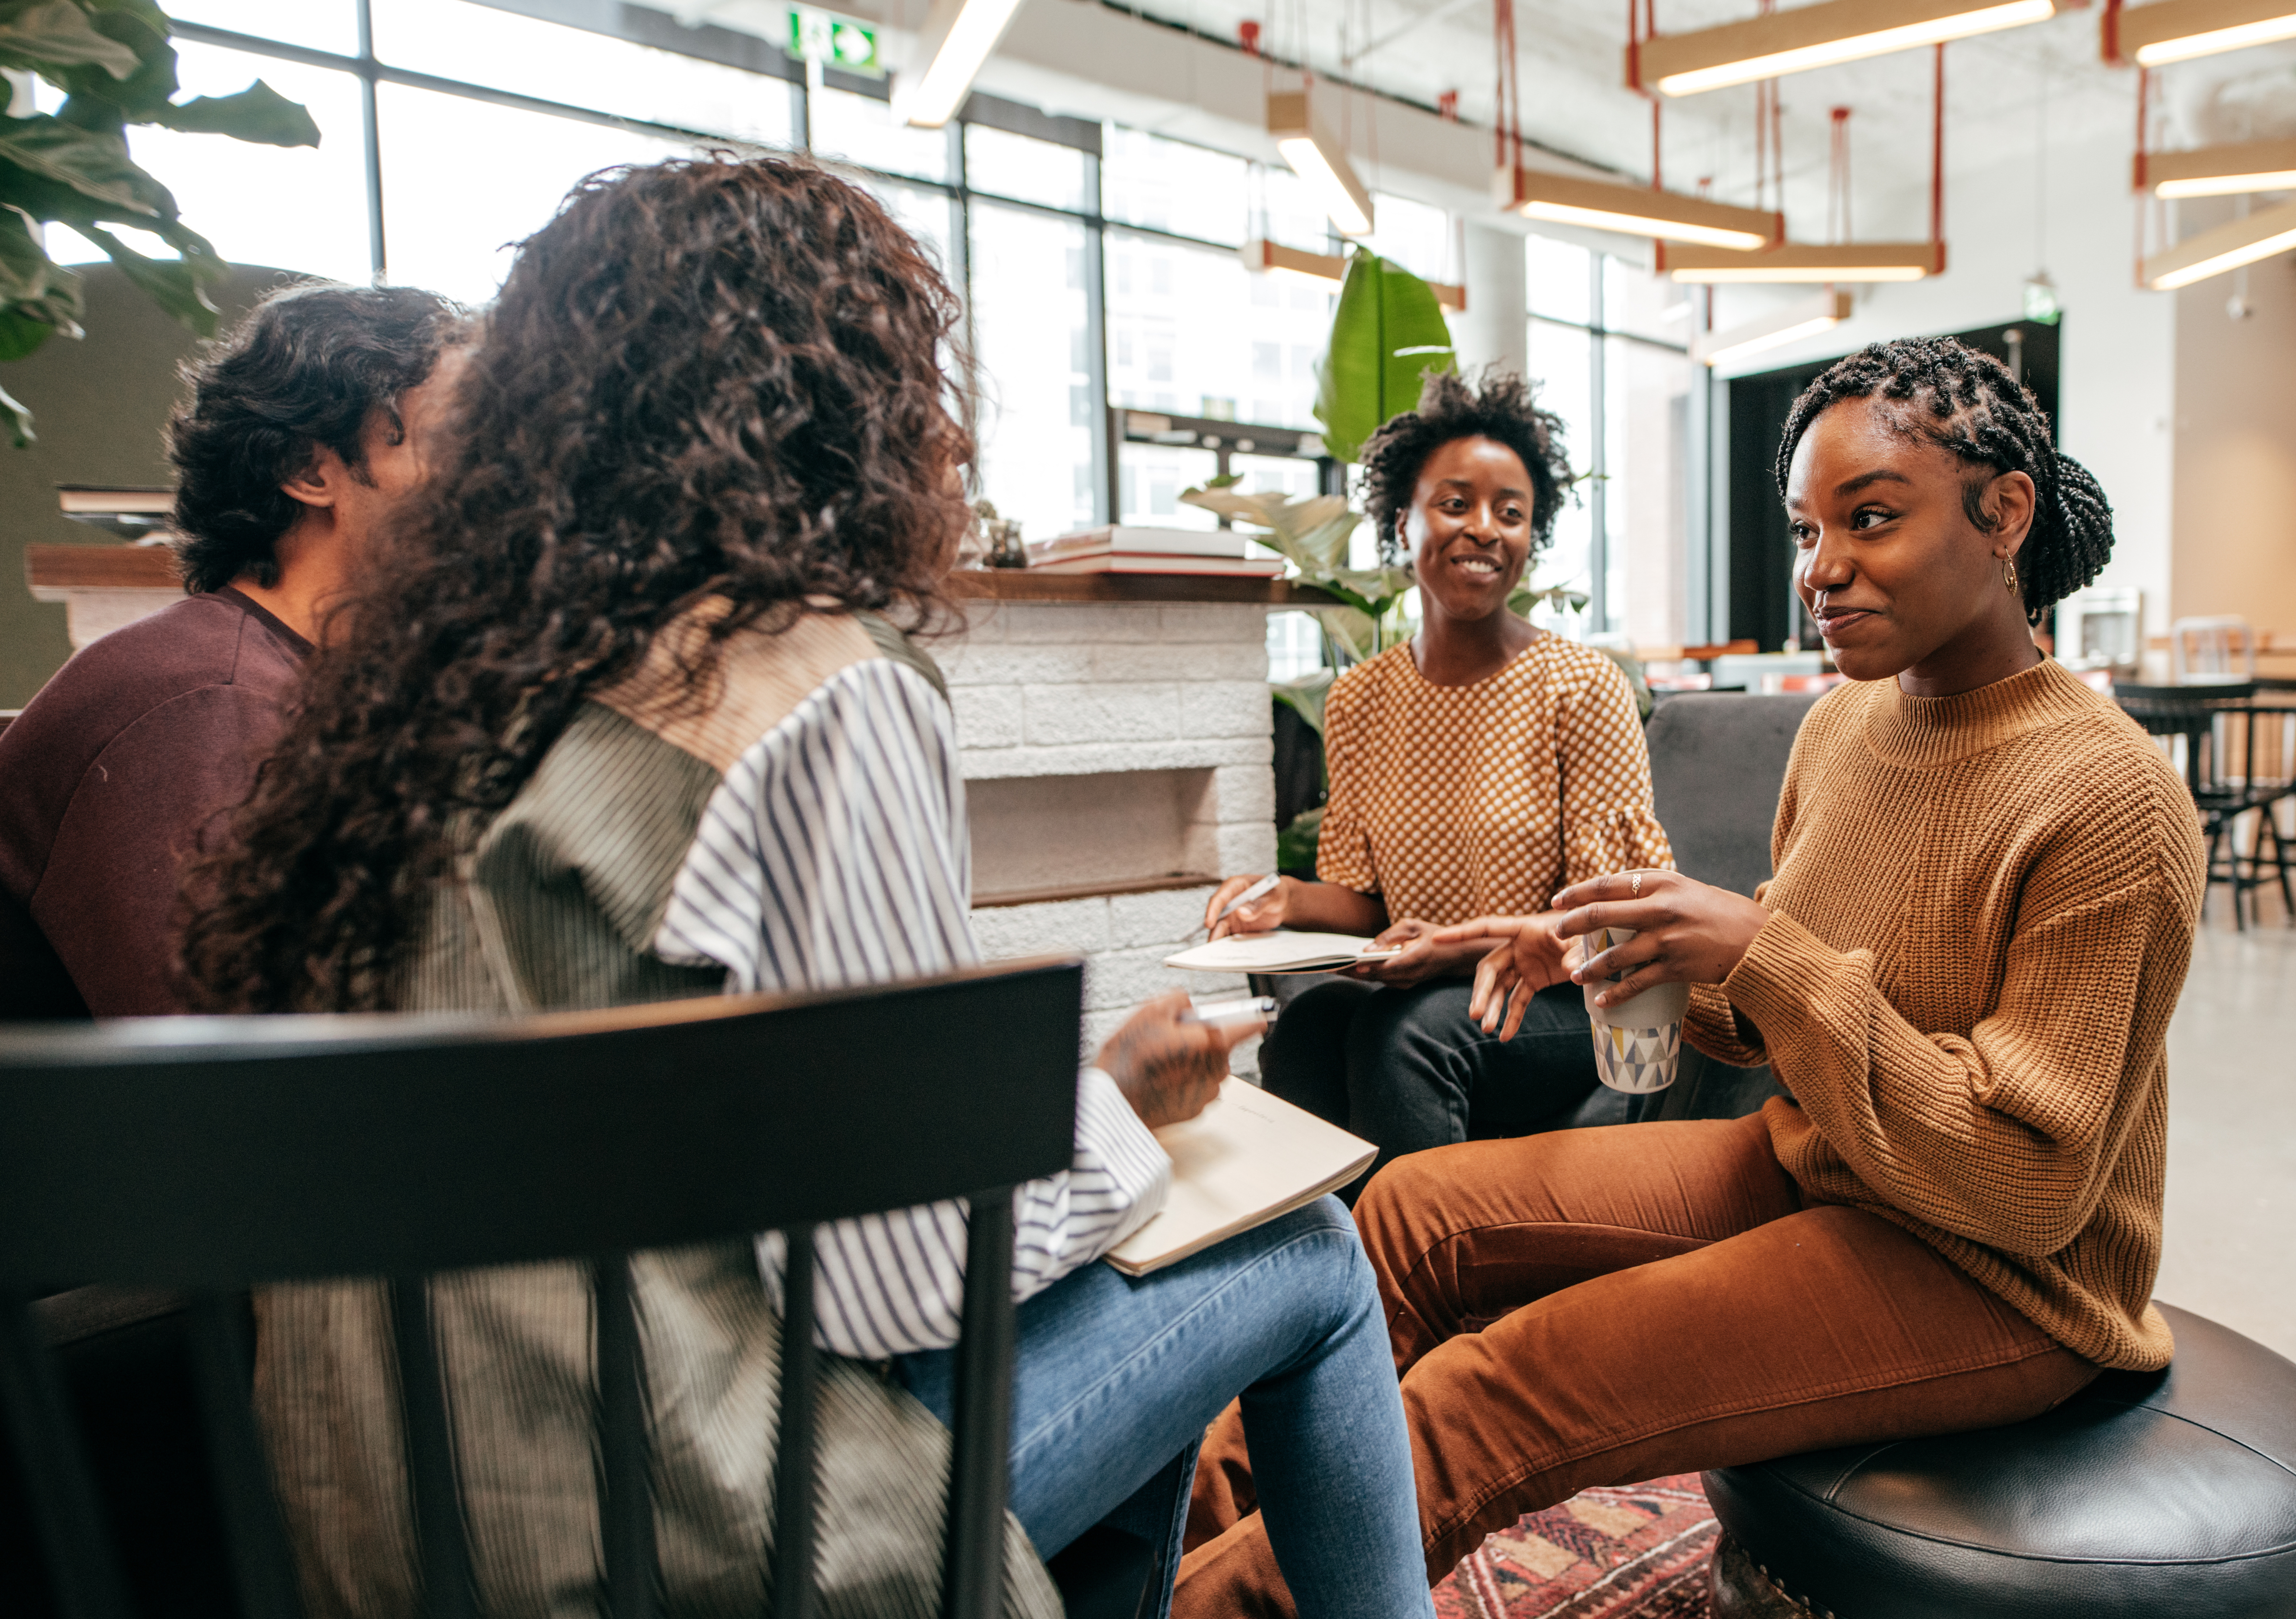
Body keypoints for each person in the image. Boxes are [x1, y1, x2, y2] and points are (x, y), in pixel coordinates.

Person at [180, 156, 1431, 1619]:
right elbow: (895, 1287)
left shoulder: (423, 698)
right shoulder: (809, 682)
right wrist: (1115, 1113)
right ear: (849, 402)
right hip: (695, 1543)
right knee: (1302, 1248)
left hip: (386, 1538)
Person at [1175, 336, 2206, 1618]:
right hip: (1818, 1160)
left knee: (1486, 1392)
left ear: (2004, 513)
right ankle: (1139, 1550)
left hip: (2001, 1272)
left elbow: (2031, 1180)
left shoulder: (2111, 795)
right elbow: (1755, 1017)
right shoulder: (1843, 725)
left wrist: (1764, 954)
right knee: (1401, 1219)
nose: (1822, 568)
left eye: (1871, 519)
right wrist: (1628, 948)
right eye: (1808, 528)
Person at [1201, 369, 1670, 1184]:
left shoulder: (1581, 685)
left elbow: (1615, 920)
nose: (1484, 529)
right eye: (1456, 503)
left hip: (1564, 997)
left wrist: (1451, 948)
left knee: (1407, 1032)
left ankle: (1422, 1297)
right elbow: (1364, 902)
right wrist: (1284, 898)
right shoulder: (1360, 699)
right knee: (1311, 1023)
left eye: (1511, 513)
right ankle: (1328, 1275)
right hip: (1433, 987)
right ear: (1401, 520)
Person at [0, 283, 467, 1017]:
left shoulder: (329, 685)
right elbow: (237, 1079)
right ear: (312, 472)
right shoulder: (206, 704)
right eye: (457, 439)